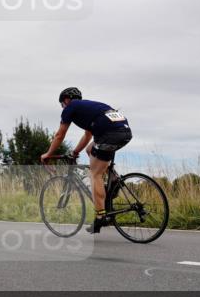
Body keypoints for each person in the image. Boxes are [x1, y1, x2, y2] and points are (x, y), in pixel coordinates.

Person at [40, 87, 132, 233]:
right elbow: (88, 136)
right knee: (90, 150)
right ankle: (113, 178)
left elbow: (59, 135)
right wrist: (75, 151)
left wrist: (48, 154)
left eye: (62, 104)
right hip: (124, 132)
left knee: (95, 174)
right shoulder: (90, 107)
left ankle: (101, 217)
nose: (63, 107)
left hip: (109, 134)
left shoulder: (70, 107)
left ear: (66, 100)